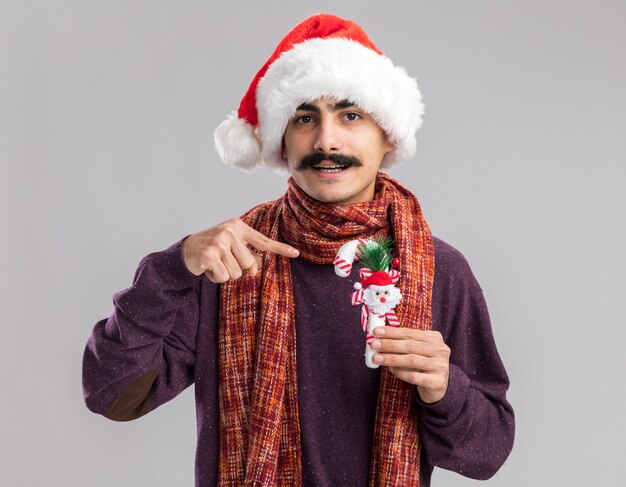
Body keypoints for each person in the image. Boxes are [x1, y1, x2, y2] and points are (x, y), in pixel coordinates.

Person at [82, 13, 515, 487]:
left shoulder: (440, 270)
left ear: (387, 135)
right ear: (281, 142)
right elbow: (110, 394)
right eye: (305, 118)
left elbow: (486, 455)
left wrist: (445, 388)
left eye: (351, 115)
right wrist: (171, 268)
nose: (326, 141)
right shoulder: (231, 260)